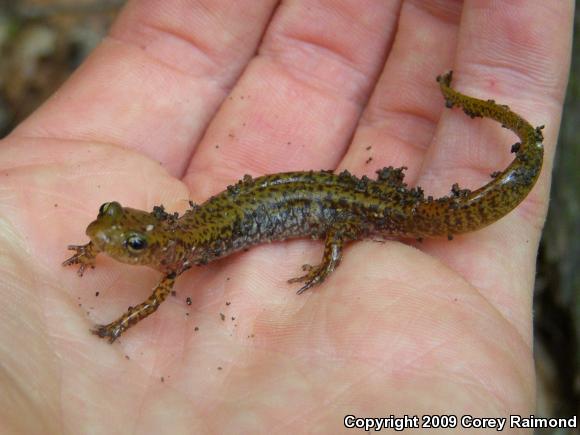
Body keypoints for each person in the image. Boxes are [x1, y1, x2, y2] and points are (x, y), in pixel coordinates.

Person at [0, 1, 573, 433]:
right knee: (349, 210)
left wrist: (115, 326)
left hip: (353, 210)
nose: (110, 241)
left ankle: (506, 141)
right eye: (119, 239)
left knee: (350, 219)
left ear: (151, 246)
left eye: (122, 239)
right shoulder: (176, 249)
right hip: (335, 200)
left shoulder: (173, 259)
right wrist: (91, 251)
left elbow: (151, 302)